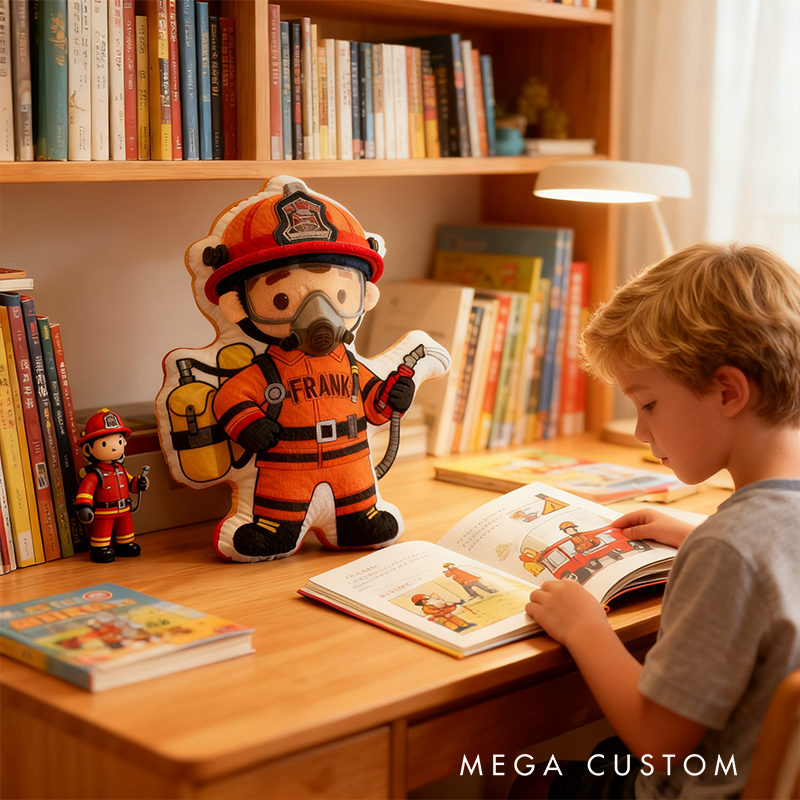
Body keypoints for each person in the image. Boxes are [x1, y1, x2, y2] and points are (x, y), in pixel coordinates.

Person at [516, 242, 800, 799]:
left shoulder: (730, 551)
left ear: (727, 391)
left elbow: (658, 741)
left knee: (529, 783)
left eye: (647, 404)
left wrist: (584, 628)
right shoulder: (748, 539)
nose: (643, 434)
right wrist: (702, 532)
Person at [75, 409, 150, 564]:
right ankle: (100, 548)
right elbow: (86, 490)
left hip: (124, 511)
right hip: (104, 513)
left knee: (126, 529)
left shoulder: (121, 469)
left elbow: (131, 484)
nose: (115, 447)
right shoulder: (94, 474)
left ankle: (124, 544)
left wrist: (140, 483)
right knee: (103, 531)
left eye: (119, 441)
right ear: (89, 449)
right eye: (105, 443)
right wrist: (84, 506)